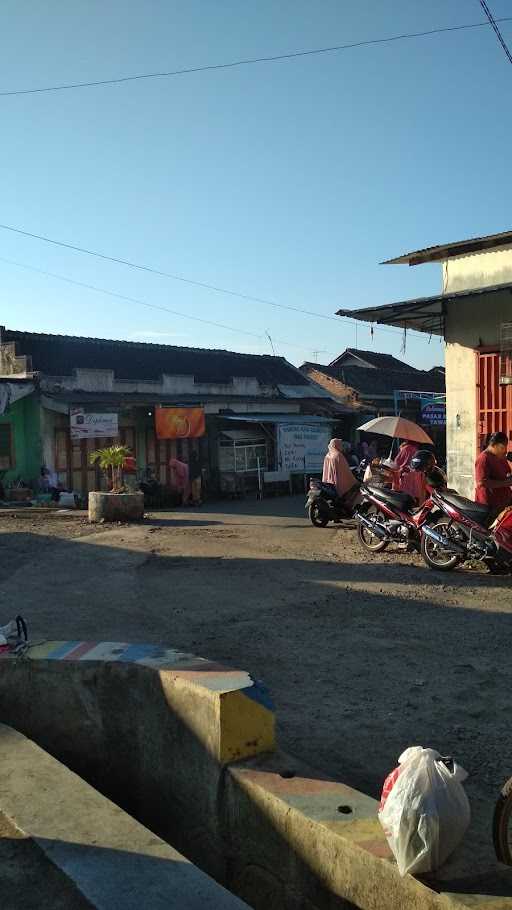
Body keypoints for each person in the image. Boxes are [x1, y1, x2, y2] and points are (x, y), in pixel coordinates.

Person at [475, 432, 512, 512]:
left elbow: (507, 473)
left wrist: (509, 478)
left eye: (505, 447)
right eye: (502, 447)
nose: (504, 451)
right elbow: (482, 482)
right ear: (494, 445)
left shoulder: (500, 457)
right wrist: (505, 483)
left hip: (504, 502)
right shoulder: (483, 458)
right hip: (489, 506)